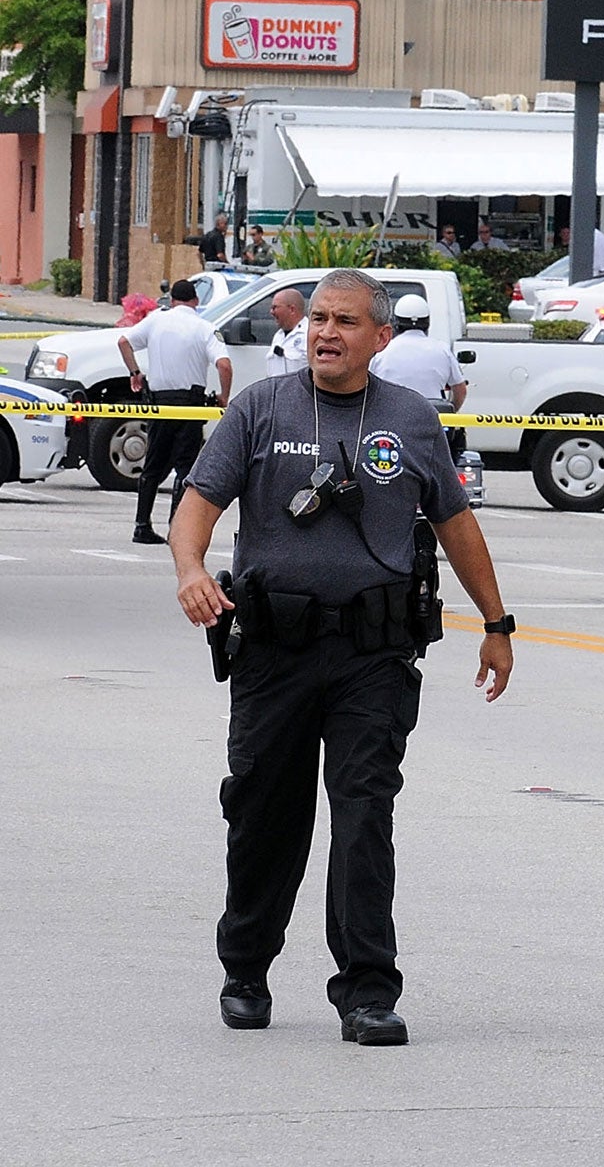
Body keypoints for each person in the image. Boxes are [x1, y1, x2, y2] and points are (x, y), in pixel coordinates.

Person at [170, 268, 516, 1047]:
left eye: (347, 321)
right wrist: (191, 570)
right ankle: (246, 967)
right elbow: (197, 505)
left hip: (373, 653)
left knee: (365, 814)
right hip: (275, 650)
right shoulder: (261, 407)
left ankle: (366, 990)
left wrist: (498, 622)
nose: (327, 332)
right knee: (265, 814)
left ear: (381, 338)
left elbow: (457, 525)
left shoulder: (412, 420)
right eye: (319, 318)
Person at [120, 278, 232, 546]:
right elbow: (224, 365)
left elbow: (124, 341)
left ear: (172, 301)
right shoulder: (204, 327)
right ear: (195, 301)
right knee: (185, 468)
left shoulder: (156, 320)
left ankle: (141, 525)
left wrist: (135, 373)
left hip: (160, 404)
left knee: (152, 466)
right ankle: (177, 529)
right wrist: (223, 397)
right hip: (190, 405)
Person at [370, 293, 467, 461]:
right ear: (427, 322)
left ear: (396, 322)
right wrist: (451, 410)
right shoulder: (442, 350)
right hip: (434, 426)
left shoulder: (383, 352)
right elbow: (460, 390)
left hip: (391, 426)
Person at [266, 288, 308, 379]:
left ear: (292, 309)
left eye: (275, 307)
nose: (271, 312)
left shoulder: (309, 335)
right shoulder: (279, 336)